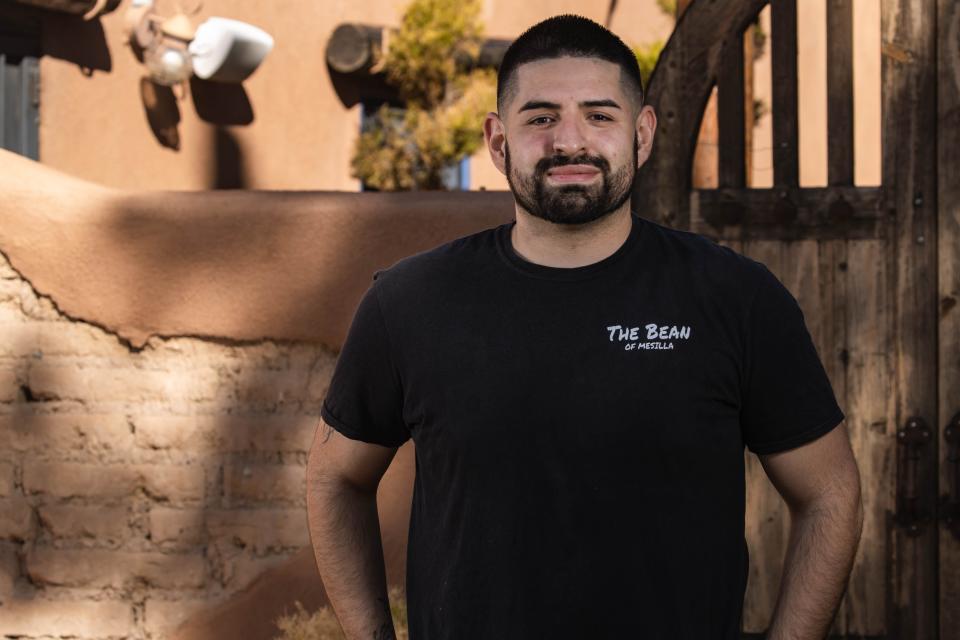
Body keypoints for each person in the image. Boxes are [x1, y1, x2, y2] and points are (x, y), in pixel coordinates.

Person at [306, 14, 863, 640]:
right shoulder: (410, 302)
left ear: (642, 134)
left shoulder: (735, 298)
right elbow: (334, 478)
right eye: (541, 118)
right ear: (497, 141)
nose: (570, 140)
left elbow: (829, 493)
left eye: (600, 115)